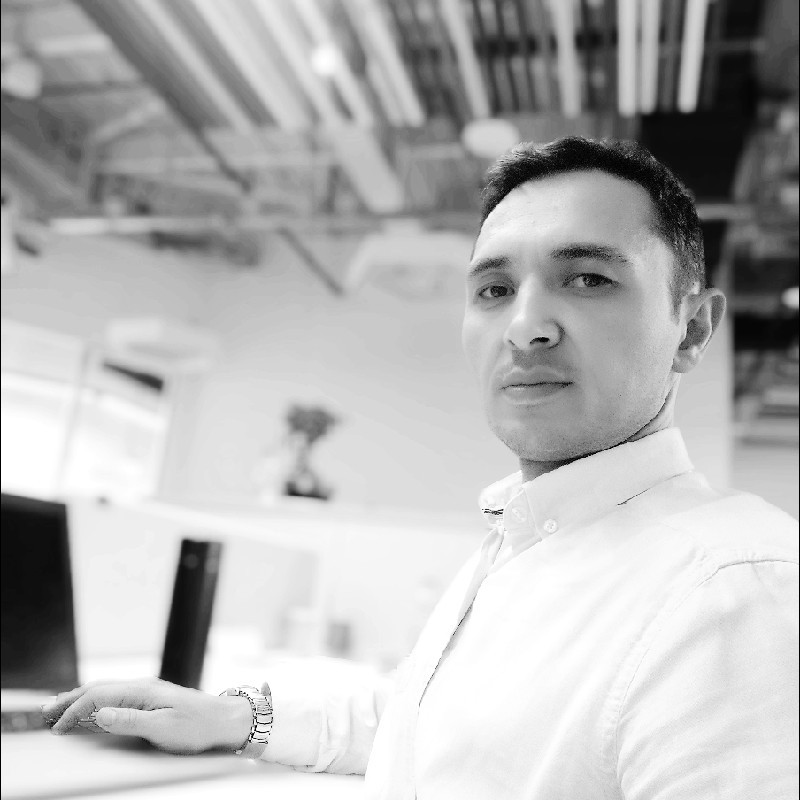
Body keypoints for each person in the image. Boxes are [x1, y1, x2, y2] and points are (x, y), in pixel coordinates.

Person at [43, 137, 798, 799]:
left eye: (588, 278)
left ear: (692, 328)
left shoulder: (733, 594)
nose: (525, 327)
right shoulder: (530, 535)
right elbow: (426, 721)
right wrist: (236, 717)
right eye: (494, 290)